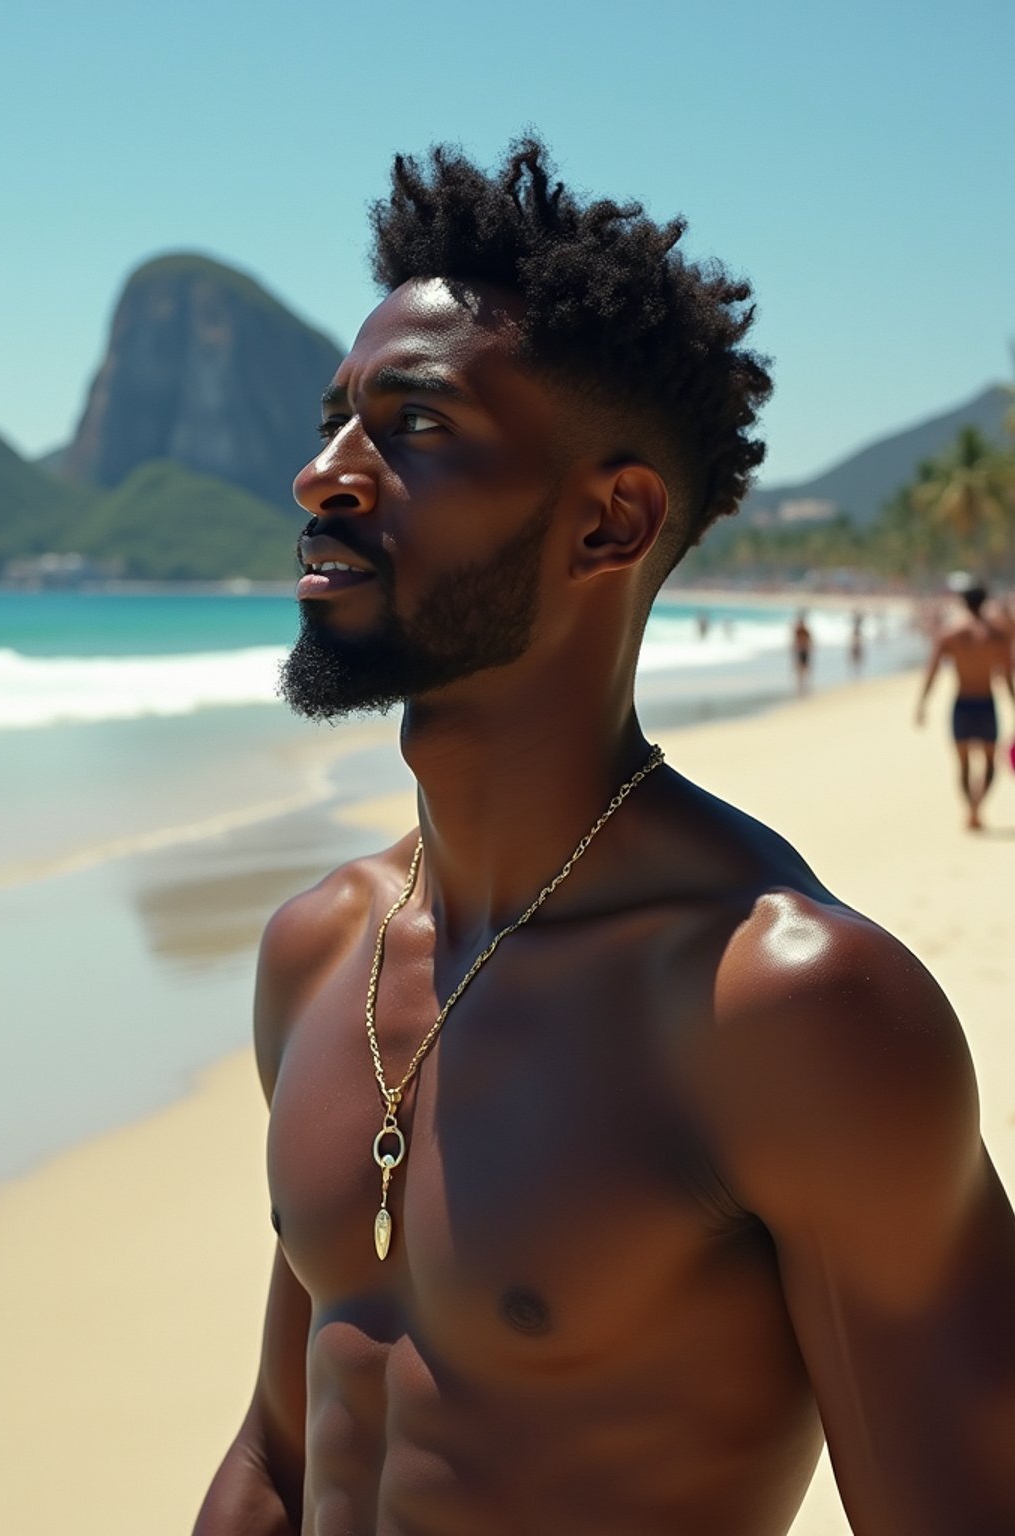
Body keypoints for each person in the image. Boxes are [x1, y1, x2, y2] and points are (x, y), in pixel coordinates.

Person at [195, 141, 1015, 1536]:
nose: (320, 476)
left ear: (609, 522)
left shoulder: (789, 1012)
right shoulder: (318, 953)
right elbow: (282, 1456)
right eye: (338, 418)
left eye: (416, 426)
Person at [916, 578, 1014, 830]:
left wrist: (922, 704)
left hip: (962, 704)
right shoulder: (997, 637)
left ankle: (970, 809)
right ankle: (976, 808)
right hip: (986, 703)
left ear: (962, 603)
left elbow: (933, 671)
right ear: (985, 602)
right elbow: (1006, 676)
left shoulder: (950, 635)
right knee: (990, 763)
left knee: (963, 764)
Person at [791, 608, 813, 694]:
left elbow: (809, 640)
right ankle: (801, 687)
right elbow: (795, 640)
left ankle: (804, 686)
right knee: (800, 669)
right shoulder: (798, 629)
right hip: (800, 650)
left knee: (804, 669)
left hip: (804, 650)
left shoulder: (805, 629)